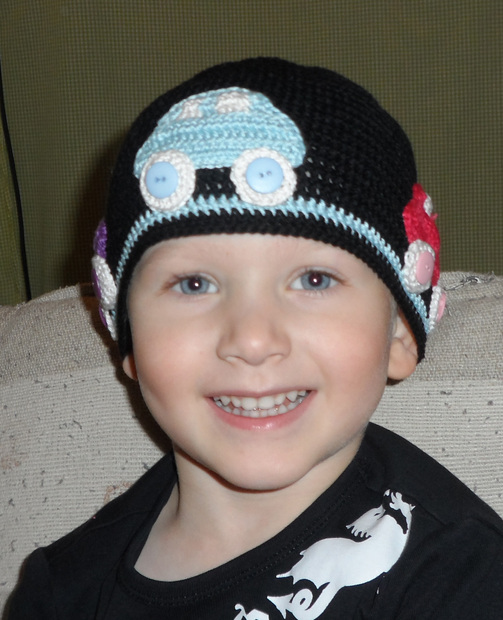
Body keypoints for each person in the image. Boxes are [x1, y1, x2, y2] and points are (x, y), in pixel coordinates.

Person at [7, 57, 503, 619]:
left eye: (313, 280)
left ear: (401, 335)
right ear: (130, 340)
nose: (252, 339)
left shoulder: (460, 578)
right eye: (194, 284)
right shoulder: (62, 591)